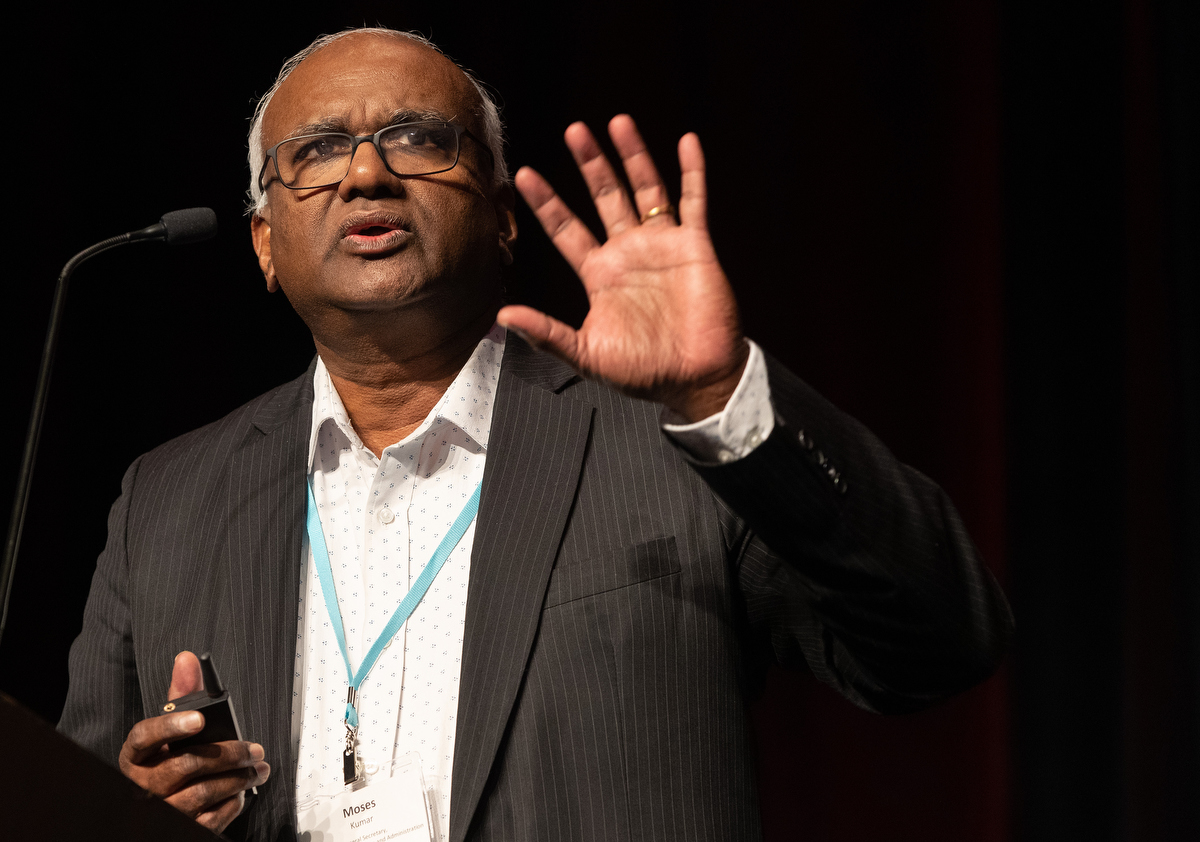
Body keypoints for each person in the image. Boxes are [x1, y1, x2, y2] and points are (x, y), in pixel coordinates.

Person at [58, 26, 1012, 842]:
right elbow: (69, 811)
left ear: (503, 216)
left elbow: (938, 645)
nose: (365, 172)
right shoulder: (168, 501)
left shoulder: (671, 443)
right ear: (265, 244)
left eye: (418, 138)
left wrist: (724, 392)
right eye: (315, 151)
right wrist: (131, 814)